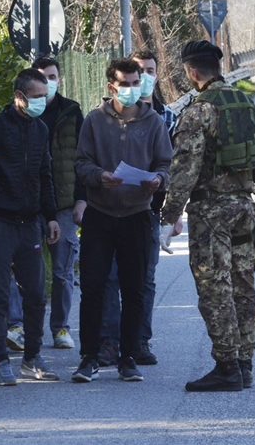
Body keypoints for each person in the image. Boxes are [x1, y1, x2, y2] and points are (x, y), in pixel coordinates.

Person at [160, 40, 255, 392]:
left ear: (192, 72)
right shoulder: (247, 104)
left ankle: (226, 366)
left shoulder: (200, 110)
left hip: (211, 212)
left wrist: (168, 216)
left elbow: (184, 169)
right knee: (244, 285)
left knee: (214, 288)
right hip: (245, 206)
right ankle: (244, 363)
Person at [72, 58, 172, 383]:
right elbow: (81, 162)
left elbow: (166, 164)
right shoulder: (94, 121)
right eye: (125, 83)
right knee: (93, 286)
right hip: (100, 214)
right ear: (111, 86)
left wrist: (158, 180)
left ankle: (128, 357)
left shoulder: (153, 122)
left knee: (135, 289)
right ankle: (90, 356)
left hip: (137, 215)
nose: (132, 89)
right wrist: (99, 176)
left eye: (136, 82)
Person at [0, 68, 62, 386]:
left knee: (35, 294)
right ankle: (0, 362)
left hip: (30, 223)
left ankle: (32, 358)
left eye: (44, 97)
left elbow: (45, 175)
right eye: (36, 97)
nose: (41, 102)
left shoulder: (41, 129)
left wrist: (51, 216)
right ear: (19, 97)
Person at [97, 50, 181, 367]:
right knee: (110, 278)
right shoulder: (101, 118)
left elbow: (175, 167)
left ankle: (139, 341)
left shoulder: (167, 118)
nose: (141, 78)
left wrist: (173, 214)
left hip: (150, 212)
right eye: (136, 72)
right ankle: (109, 342)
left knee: (144, 280)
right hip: (111, 210)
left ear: (156, 75)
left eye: (148, 71)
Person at [6, 57, 86, 351]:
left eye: (51, 77)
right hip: (28, 205)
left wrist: (81, 199)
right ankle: (17, 325)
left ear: (60, 80)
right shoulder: (17, 118)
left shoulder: (72, 113)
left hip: (63, 204)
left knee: (63, 270)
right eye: (41, 78)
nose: (46, 83)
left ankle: (61, 328)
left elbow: (83, 159)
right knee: (20, 268)